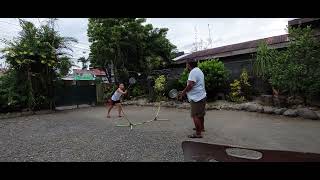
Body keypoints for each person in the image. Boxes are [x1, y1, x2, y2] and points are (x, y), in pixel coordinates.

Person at [179, 60, 207, 138]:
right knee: (200, 114)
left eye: (186, 65)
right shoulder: (199, 70)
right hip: (202, 95)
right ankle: (201, 128)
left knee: (195, 115)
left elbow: (190, 85)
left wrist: (183, 92)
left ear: (189, 65)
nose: (186, 67)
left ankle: (198, 133)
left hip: (196, 98)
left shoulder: (193, 72)